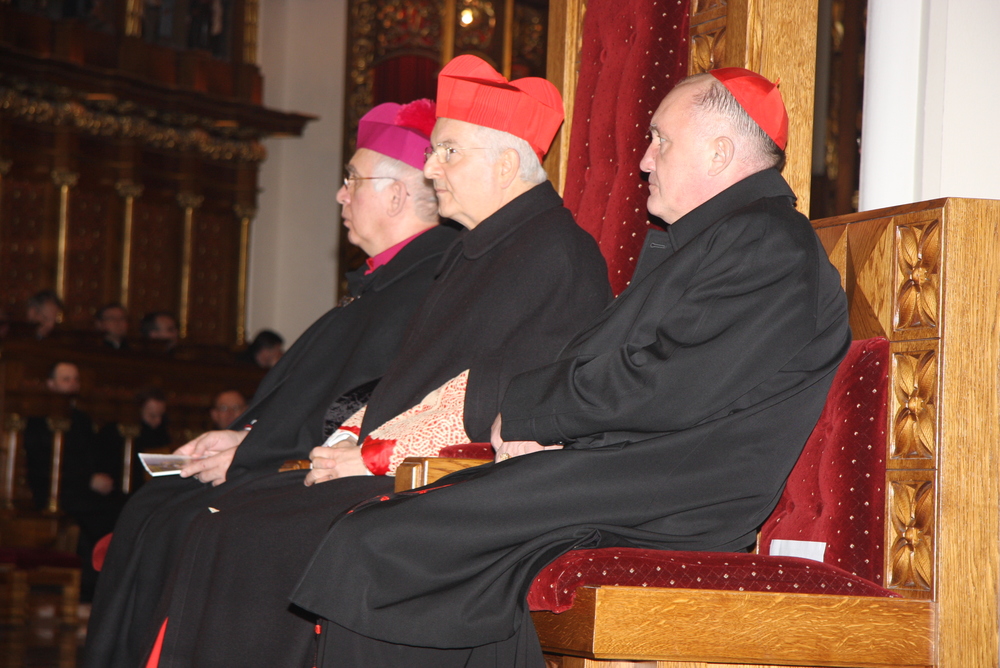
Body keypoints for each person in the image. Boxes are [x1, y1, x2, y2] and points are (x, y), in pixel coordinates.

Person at [288, 68, 854, 668]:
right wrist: (544, 423)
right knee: (399, 536)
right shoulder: (725, 239)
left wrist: (529, 413)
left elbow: (665, 385)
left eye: (660, 140)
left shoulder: (767, 243)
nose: (643, 161)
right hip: (630, 472)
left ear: (718, 153)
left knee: (379, 544)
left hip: (667, 493)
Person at [139, 57, 610, 668]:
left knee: (252, 531)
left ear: (503, 164)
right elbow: (410, 380)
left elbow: (497, 395)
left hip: (465, 481)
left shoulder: (556, 253)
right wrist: (344, 440)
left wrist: (368, 456)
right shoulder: (478, 249)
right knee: (231, 517)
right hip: (411, 467)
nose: (431, 168)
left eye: (447, 152)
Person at [83, 98, 458, 667]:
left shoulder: (428, 283)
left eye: (352, 180)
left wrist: (254, 451)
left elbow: (365, 406)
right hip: (285, 455)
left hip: (343, 475)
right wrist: (244, 435)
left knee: (185, 521)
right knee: (154, 505)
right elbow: (312, 392)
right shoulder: (380, 283)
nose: (340, 195)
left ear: (397, 195)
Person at [24, 362, 125, 603]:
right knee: (98, 516)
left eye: (75, 379)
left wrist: (99, 478)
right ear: (51, 384)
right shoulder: (37, 419)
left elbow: (93, 456)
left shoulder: (81, 419)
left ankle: (108, 586)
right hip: (55, 490)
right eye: (66, 379)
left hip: (83, 490)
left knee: (123, 506)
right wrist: (87, 479)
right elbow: (41, 465)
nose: (72, 384)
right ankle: (88, 589)